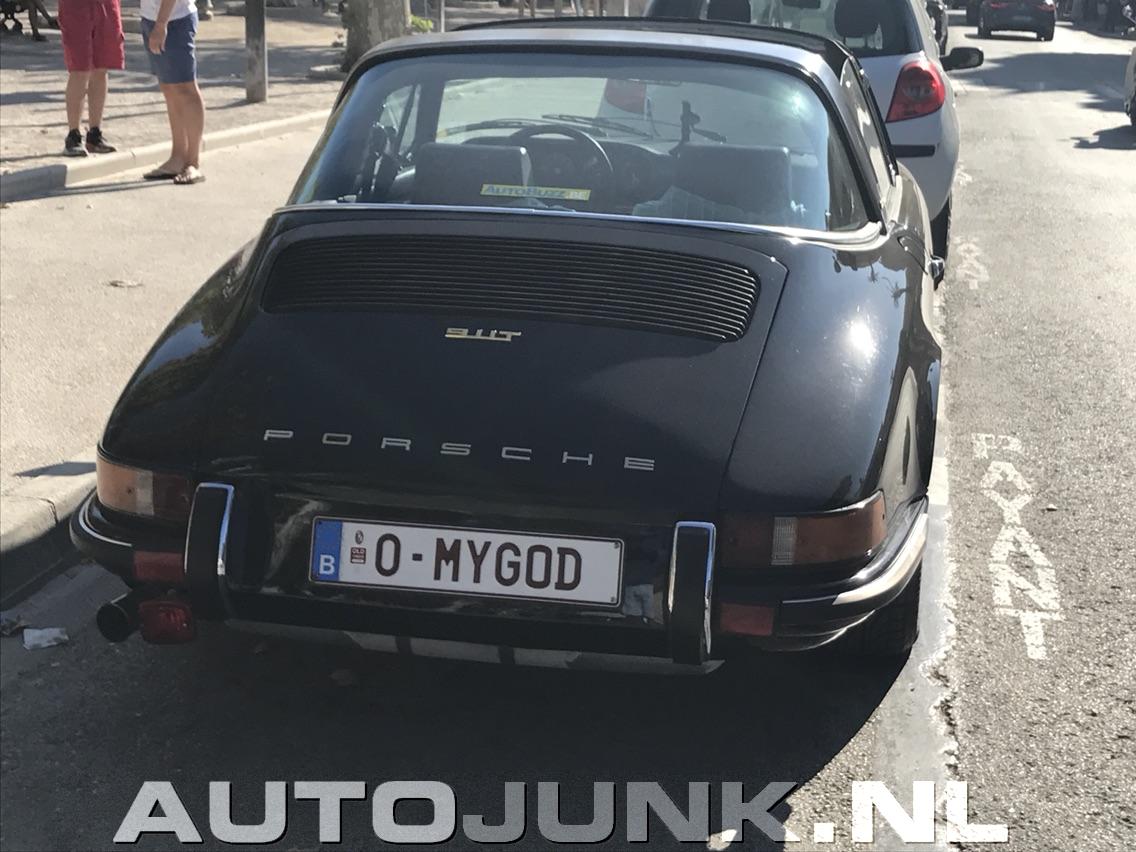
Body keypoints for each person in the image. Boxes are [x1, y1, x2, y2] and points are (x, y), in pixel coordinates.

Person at [141, 0, 206, 184]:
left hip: (175, 19)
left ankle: (192, 162)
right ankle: (177, 157)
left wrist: (161, 24)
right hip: (150, 17)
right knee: (169, 88)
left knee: (185, 88)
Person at [57, 0, 124, 157]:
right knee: (80, 69)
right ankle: (73, 136)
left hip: (106, 5)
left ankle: (95, 134)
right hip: (76, 6)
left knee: (101, 67)